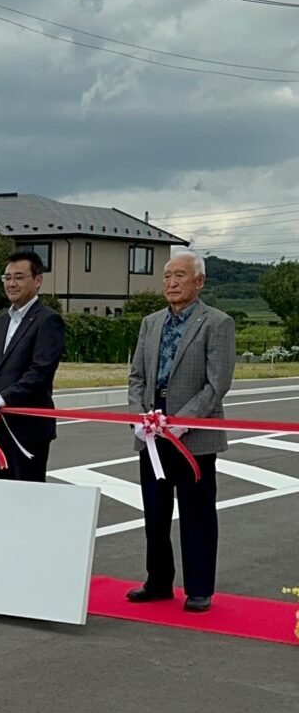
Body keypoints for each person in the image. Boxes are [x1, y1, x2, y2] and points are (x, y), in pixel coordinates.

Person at [125, 249, 235, 612]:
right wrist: (140, 417)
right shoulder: (150, 322)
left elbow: (217, 383)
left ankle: (199, 587)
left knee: (197, 514)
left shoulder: (217, 323)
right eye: (167, 276)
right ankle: (157, 581)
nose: (171, 283)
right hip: (152, 437)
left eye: (180, 276)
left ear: (199, 281)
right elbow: (137, 377)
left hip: (194, 437)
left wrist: (181, 421)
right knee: (154, 514)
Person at [0, 249, 65, 481]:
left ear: (38, 280)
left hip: (28, 429)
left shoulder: (48, 320)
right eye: (7, 278)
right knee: (0, 496)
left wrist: (4, 398)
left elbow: (40, 371)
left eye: (19, 277)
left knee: (27, 498)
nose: (11, 284)